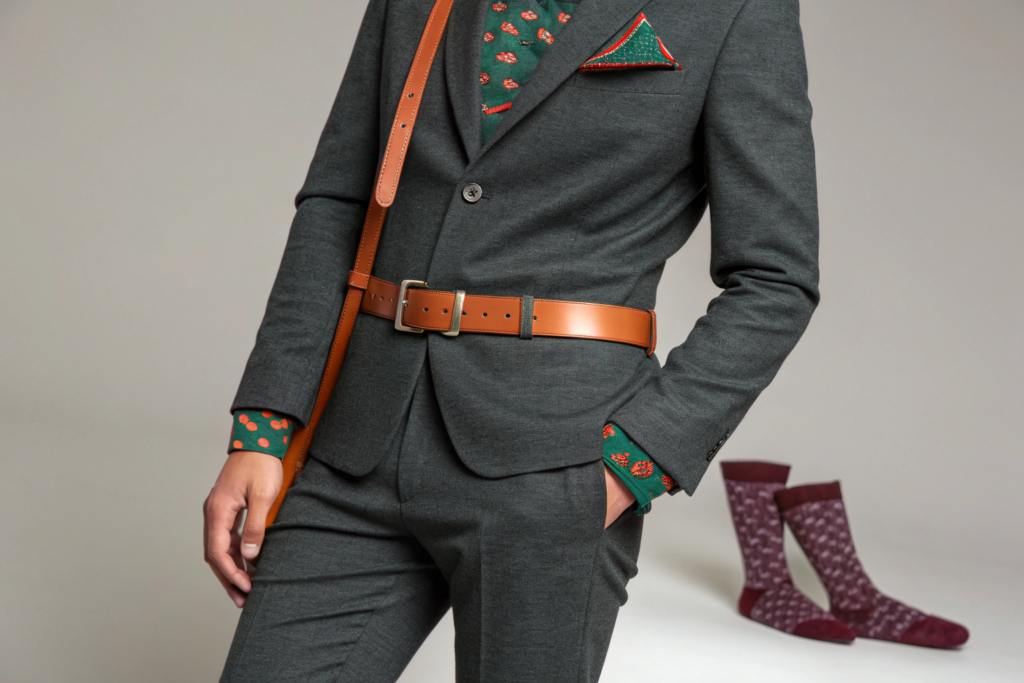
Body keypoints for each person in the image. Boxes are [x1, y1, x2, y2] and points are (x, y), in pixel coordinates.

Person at [204, 0, 820, 680]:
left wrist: (635, 464)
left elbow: (776, 278)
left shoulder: (737, 10)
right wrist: (263, 426)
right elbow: (339, 200)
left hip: (554, 469)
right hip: (358, 446)